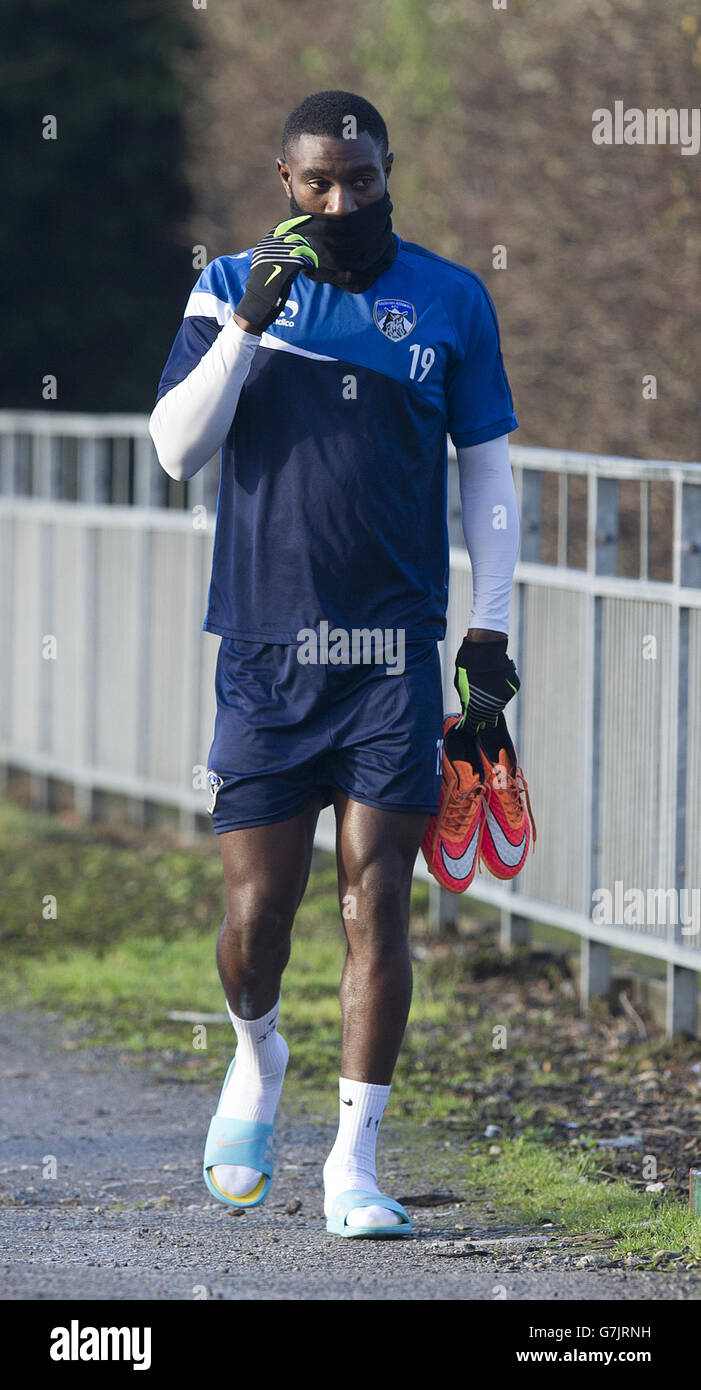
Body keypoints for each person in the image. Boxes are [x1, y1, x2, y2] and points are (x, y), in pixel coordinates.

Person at [149, 89, 528, 1240]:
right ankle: (257, 1056)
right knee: (259, 915)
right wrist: (246, 328)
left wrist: (489, 634)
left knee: (378, 905)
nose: (341, 201)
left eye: (360, 181)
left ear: (386, 173)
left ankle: (353, 1163)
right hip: (266, 654)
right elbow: (174, 450)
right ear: (284, 182)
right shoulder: (228, 289)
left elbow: (489, 474)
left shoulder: (450, 299)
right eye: (318, 184)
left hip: (390, 660)